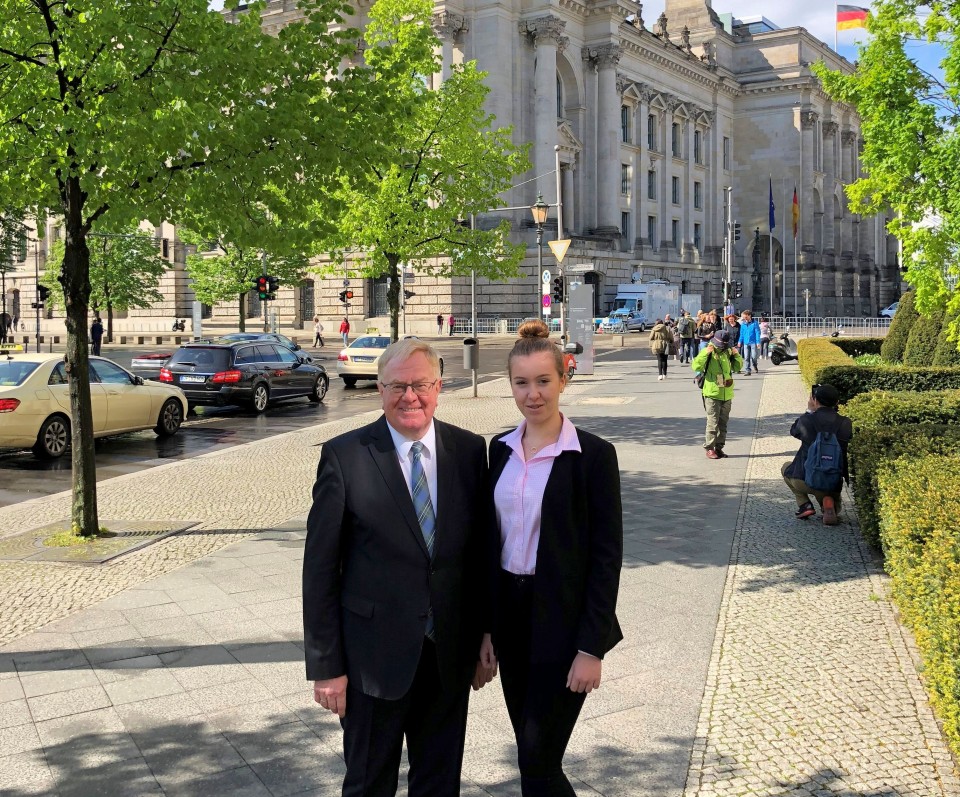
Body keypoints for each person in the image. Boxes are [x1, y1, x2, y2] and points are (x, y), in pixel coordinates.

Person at [303, 338, 495, 797]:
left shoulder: (469, 452)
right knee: (369, 783)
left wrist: (487, 635)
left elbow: (481, 554)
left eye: (420, 385)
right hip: (372, 661)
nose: (410, 396)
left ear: (438, 387)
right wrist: (326, 666)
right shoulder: (345, 455)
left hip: (448, 656)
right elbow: (321, 570)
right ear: (379, 389)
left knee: (439, 784)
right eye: (396, 386)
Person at [489, 319, 623, 797]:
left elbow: (607, 558)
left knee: (538, 757)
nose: (533, 394)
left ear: (564, 378)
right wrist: (486, 630)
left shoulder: (593, 456)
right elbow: (490, 547)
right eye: (521, 383)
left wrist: (592, 647)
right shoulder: (499, 450)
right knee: (533, 757)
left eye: (544, 381)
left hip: (564, 623)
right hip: (510, 619)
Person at [782, 383, 853, 525]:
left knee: (786, 467)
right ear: (837, 402)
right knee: (830, 490)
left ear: (814, 400)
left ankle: (804, 504)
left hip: (805, 479)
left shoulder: (807, 420)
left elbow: (794, 431)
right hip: (833, 482)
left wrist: (809, 410)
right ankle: (829, 504)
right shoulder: (845, 422)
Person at [692, 329, 743, 459]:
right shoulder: (708, 350)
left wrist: (736, 355)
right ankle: (709, 448)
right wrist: (705, 353)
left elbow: (737, 368)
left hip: (727, 392)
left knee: (723, 424)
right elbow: (696, 366)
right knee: (712, 422)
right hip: (712, 392)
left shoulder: (728, 351)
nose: (722, 347)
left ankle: (719, 448)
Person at [739, 310, 760, 375]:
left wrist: (758, 342)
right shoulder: (743, 324)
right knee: (746, 357)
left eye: (745, 317)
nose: (744, 318)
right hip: (746, 343)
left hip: (753, 342)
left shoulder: (755, 323)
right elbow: (742, 334)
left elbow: (757, 332)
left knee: (754, 357)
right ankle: (748, 370)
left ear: (749, 316)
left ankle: (755, 365)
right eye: (743, 317)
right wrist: (740, 341)